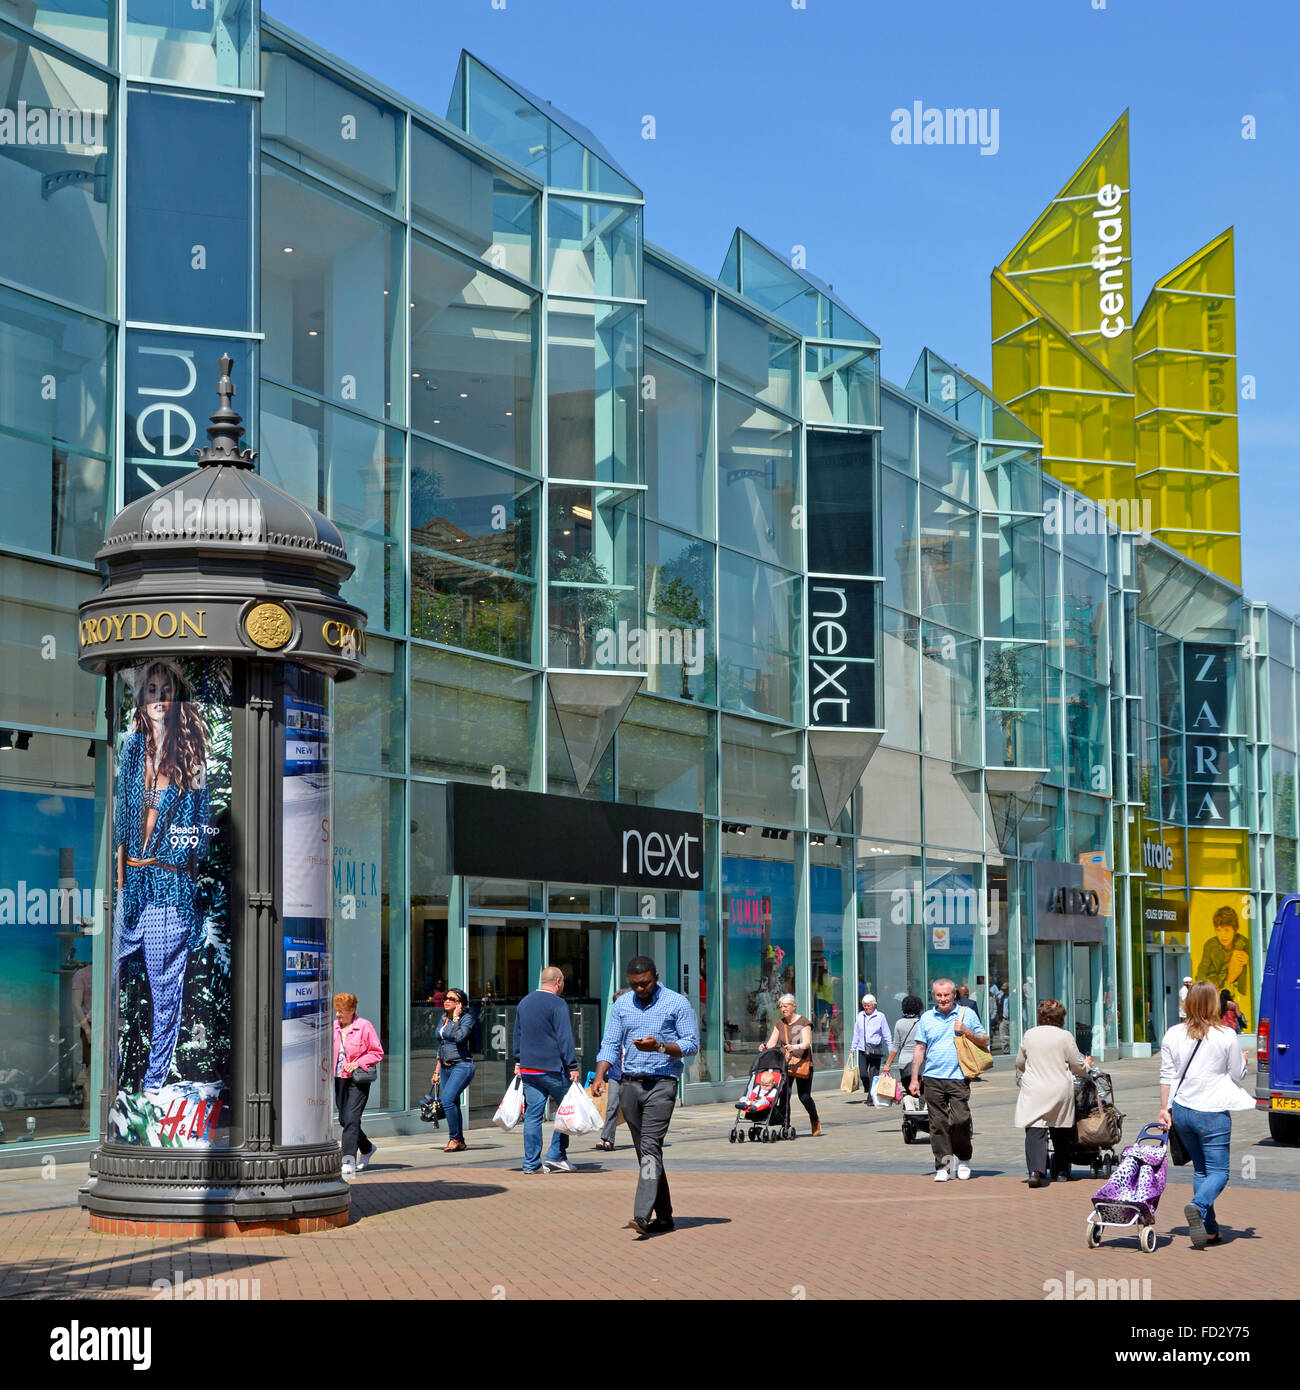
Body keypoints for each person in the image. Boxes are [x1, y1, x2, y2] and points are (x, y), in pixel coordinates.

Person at [113, 659, 213, 1095]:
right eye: (151, 689)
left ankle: (152, 1087)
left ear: (178, 700)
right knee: (111, 981)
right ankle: (112, 1076)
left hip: (169, 889)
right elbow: (120, 829)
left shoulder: (191, 756)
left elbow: (201, 834)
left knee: (165, 996)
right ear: (142, 698)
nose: (158, 698)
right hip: (131, 888)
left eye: (166, 691)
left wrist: (183, 871)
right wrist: (118, 887)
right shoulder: (133, 749)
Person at [593, 956, 699, 1236]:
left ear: (656, 976)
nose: (640, 989)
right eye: (634, 984)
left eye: (645, 983)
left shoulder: (677, 1003)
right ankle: (664, 1216)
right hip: (629, 1085)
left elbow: (691, 1044)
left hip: (662, 1084)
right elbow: (610, 1042)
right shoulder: (622, 1004)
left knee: (650, 1147)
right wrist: (600, 1074)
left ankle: (642, 1215)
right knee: (646, 1152)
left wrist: (660, 1047)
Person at [1158, 979, 1255, 1247]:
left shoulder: (1173, 1034)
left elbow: (1167, 1074)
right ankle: (1198, 1207)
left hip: (1182, 1110)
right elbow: (1237, 1074)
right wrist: (1244, 1061)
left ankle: (1210, 1229)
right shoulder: (1225, 1035)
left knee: (1202, 1170)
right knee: (1220, 1172)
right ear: (1214, 1004)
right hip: (1212, 1112)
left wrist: (1164, 1108)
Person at [909, 978, 990, 1182]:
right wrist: (914, 1078)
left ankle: (963, 1158)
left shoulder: (966, 1014)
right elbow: (919, 1048)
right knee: (938, 1124)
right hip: (933, 1077)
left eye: (946, 995)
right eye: (939, 995)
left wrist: (966, 1030)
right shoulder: (927, 1018)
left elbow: (985, 1040)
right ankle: (943, 1167)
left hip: (958, 1077)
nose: (943, 999)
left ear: (954, 995)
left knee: (960, 1119)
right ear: (933, 996)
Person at [1015, 998, 1093, 1187]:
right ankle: (1062, 1172)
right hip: (1059, 1088)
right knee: (1061, 1129)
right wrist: (1087, 1066)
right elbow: (1077, 1065)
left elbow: (1020, 1062)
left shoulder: (1029, 1034)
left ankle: (1035, 1171)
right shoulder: (1065, 1036)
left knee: (1035, 1129)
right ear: (1061, 1017)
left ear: (1041, 1016)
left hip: (1034, 1089)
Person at [513, 965, 579, 1174]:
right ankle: (556, 1155)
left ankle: (531, 1164)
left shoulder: (524, 1002)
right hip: (553, 1068)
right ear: (558, 981)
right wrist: (573, 1065)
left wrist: (518, 1061)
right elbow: (565, 1037)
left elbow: (517, 1034)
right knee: (565, 1110)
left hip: (529, 1069)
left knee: (533, 1115)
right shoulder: (557, 1004)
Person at [334, 992, 384, 1179]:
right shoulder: (334, 1028)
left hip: (358, 1079)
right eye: (337, 1011)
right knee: (344, 1119)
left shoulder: (364, 1026)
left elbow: (377, 1052)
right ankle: (367, 1147)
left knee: (352, 1118)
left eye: (342, 1011)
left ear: (352, 1010)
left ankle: (347, 1160)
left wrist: (358, 1062)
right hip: (339, 1078)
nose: (338, 1015)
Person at [765, 994, 820, 1135]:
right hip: (786, 1064)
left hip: (803, 1064)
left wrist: (794, 1047)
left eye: (786, 1006)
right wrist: (764, 1046)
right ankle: (785, 1125)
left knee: (804, 1096)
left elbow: (807, 1042)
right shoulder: (780, 1024)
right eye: (781, 1006)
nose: (783, 1009)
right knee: (784, 1095)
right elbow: (772, 1043)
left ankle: (814, 1120)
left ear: (794, 1006)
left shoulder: (803, 1022)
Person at [431, 987, 474, 1153]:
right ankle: (461, 1141)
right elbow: (440, 1046)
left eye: (451, 999)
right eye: (445, 998)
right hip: (445, 1066)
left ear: (460, 1004)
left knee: (447, 1100)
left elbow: (460, 1037)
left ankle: (454, 1138)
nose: (446, 1001)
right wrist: (436, 1070)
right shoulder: (443, 1018)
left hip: (462, 1065)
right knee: (453, 1102)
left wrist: (456, 1018)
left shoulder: (466, 1019)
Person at [1197, 907, 1252, 1024]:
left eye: (1227, 930)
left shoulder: (1243, 943)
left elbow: (1249, 979)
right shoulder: (1210, 945)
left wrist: (1247, 962)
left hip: (1234, 989)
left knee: (1238, 957)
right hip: (1215, 986)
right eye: (1218, 930)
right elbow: (1201, 973)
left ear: (1235, 930)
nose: (1222, 935)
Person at [595, 988, 628, 1152]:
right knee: (612, 1105)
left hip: (633, 1074)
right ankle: (607, 1139)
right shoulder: (614, 1026)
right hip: (616, 1073)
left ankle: (646, 1139)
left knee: (636, 1108)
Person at [851, 994, 891, 1104]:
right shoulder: (860, 1016)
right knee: (863, 1074)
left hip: (875, 1050)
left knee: (873, 1074)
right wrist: (853, 1047)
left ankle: (871, 1098)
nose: (866, 1007)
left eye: (868, 1005)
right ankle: (869, 1089)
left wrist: (891, 1049)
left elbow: (887, 1034)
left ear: (873, 1005)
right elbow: (856, 1032)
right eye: (864, 1005)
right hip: (862, 1049)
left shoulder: (880, 1016)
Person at [881, 995, 924, 1094]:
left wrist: (888, 1064)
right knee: (921, 1092)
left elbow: (895, 1045)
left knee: (909, 1090)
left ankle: (910, 1106)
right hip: (920, 1063)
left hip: (904, 1063)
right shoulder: (922, 1023)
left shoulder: (899, 1023)